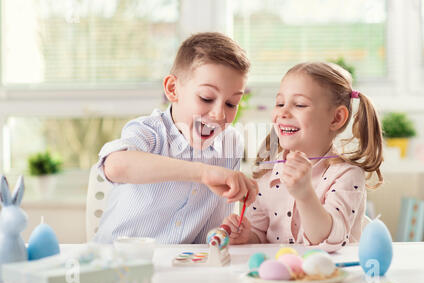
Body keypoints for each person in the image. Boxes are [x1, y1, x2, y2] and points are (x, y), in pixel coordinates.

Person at [94, 32, 258, 244]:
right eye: (206, 98)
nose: (219, 114)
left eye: (231, 104)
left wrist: (228, 232)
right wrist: (203, 172)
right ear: (173, 89)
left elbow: (208, 237)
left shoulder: (231, 142)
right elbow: (115, 167)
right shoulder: (149, 131)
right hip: (116, 262)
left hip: (178, 267)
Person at [223, 62, 383, 252]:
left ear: (336, 118)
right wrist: (246, 236)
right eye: (280, 103)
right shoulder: (267, 173)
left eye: (299, 104)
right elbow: (260, 235)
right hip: (282, 278)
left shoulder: (346, 175)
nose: (282, 112)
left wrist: (305, 194)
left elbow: (331, 240)